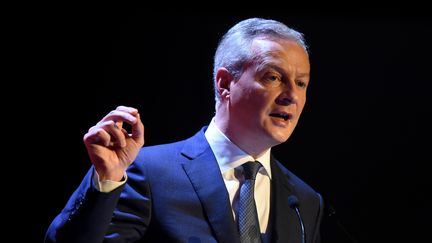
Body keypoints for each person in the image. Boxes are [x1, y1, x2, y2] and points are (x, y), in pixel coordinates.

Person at [45, 17, 323, 243]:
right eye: (273, 77)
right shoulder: (148, 172)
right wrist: (105, 183)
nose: (292, 96)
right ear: (225, 83)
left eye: (301, 83)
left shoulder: (304, 202)